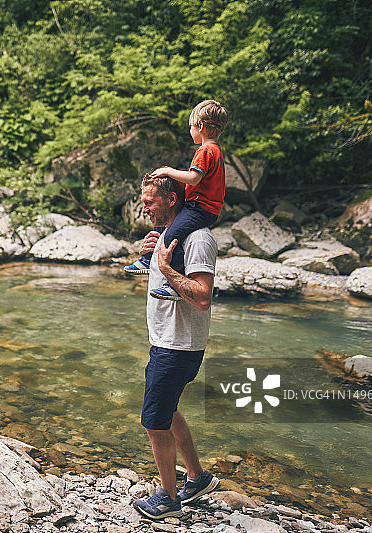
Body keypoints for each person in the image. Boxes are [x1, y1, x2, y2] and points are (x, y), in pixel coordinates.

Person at [132, 174, 220, 521]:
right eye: (143, 201)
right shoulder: (170, 236)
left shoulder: (198, 238)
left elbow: (202, 297)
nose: (145, 208)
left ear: (171, 199)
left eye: (150, 202)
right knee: (168, 411)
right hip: (167, 342)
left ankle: (168, 499)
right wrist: (149, 258)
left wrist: (166, 267)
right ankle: (197, 478)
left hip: (178, 346)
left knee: (154, 421)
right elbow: (164, 280)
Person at [124, 99, 227, 302]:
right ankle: (147, 259)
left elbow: (194, 178)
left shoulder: (206, 151)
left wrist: (168, 171)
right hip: (203, 207)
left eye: (191, 126)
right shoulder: (216, 151)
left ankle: (172, 284)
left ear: (201, 127)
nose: (190, 131)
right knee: (166, 230)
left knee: (172, 236)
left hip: (200, 207)